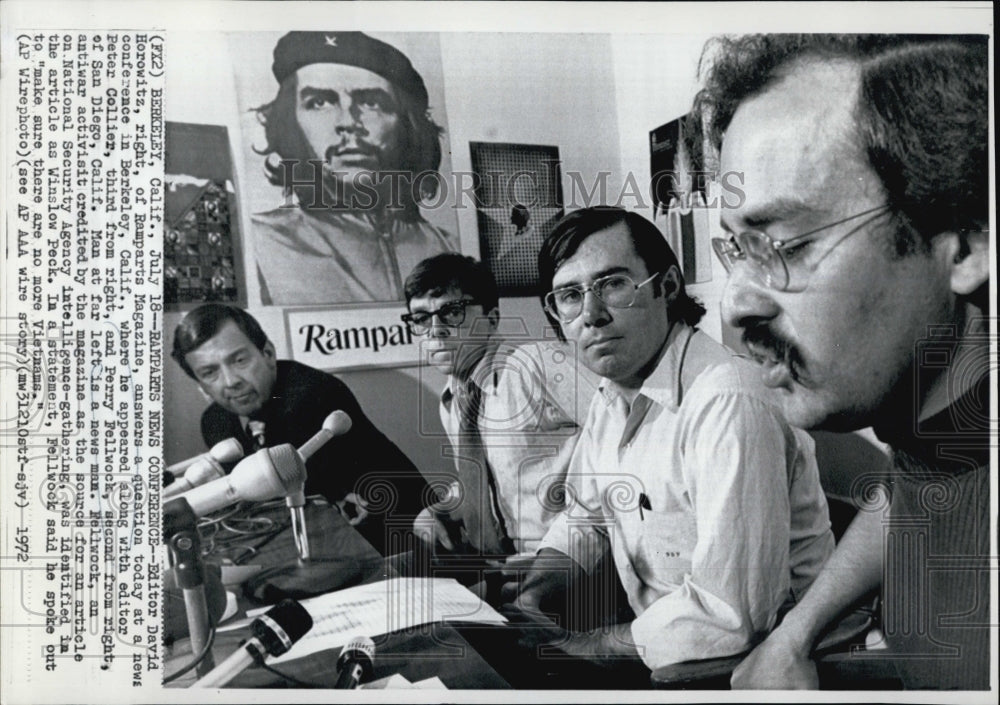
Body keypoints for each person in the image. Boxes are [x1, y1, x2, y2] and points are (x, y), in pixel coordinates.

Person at [694, 34, 990, 689]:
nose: (736, 306)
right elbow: (911, 488)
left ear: (965, 242)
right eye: (738, 250)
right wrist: (795, 633)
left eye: (789, 244)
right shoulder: (945, 422)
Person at [509, 206, 835, 672]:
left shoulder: (728, 398)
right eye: (569, 295)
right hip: (674, 653)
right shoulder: (612, 392)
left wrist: (585, 646)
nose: (592, 315)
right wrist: (535, 593)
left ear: (667, 287)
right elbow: (586, 516)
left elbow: (732, 615)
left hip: (775, 663)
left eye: (613, 284)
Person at [170, 303, 429, 554]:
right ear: (201, 387)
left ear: (268, 354)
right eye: (209, 373)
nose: (231, 381)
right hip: (313, 543)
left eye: (239, 360)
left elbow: (292, 494)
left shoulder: (312, 395)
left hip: (399, 534)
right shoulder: (215, 422)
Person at [401, 253, 595, 564]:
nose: (435, 330)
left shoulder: (536, 365)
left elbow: (625, 442)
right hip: (505, 569)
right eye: (422, 318)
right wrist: (440, 509)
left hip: (573, 564)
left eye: (452, 312)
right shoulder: (453, 402)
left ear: (492, 318)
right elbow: (488, 482)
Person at [251, 31, 455, 304]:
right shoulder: (259, 243)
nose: (348, 121)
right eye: (320, 103)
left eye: (371, 103)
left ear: (408, 126)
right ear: (292, 122)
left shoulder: (449, 248)